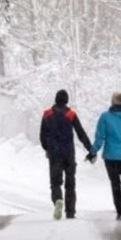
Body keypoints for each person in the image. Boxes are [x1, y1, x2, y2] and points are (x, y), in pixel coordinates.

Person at [86, 92, 121, 220]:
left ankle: (119, 210)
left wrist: (93, 152)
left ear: (112, 101)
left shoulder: (105, 117)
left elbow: (100, 138)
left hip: (111, 157)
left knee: (115, 183)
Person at [40, 89, 92, 220]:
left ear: (55, 99)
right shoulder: (71, 114)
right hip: (68, 153)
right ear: (66, 100)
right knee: (70, 183)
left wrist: (48, 148)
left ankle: (58, 199)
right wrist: (90, 148)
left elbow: (42, 135)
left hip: (54, 154)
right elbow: (80, 133)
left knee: (55, 182)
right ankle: (70, 212)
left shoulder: (47, 114)